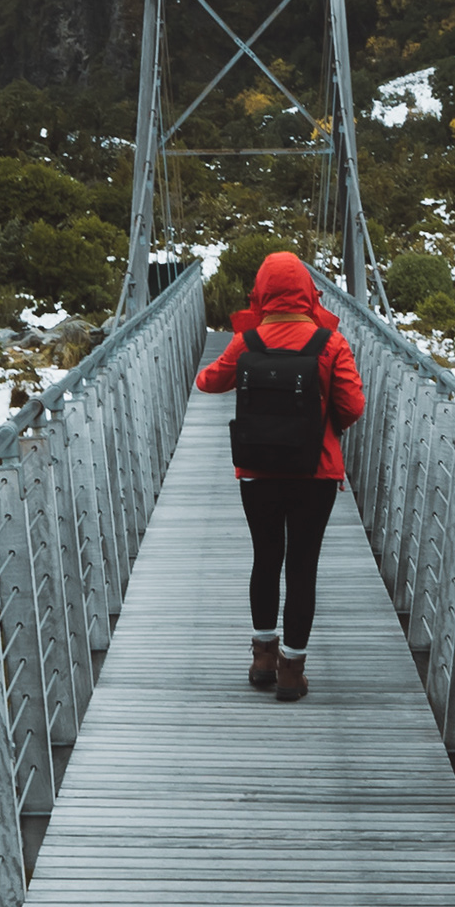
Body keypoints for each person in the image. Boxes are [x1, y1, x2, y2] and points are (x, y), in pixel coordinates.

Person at [194, 248, 364, 697]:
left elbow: (207, 382)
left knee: (266, 557)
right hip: (316, 472)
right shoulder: (330, 343)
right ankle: (291, 672)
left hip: (258, 470)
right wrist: (324, 424)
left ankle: (262, 660)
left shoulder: (247, 342)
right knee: (303, 566)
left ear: (261, 291)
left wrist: (245, 352)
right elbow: (353, 405)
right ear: (308, 291)